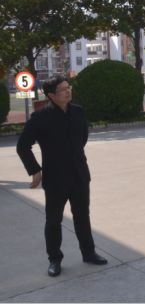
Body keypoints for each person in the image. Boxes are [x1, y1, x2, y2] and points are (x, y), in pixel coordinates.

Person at [16, 75, 108, 277]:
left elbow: (82, 137)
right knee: (53, 220)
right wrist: (35, 170)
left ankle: (89, 253)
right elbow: (22, 146)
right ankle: (54, 259)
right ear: (51, 95)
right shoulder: (40, 117)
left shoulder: (78, 111)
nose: (68, 91)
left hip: (79, 174)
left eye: (69, 87)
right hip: (56, 178)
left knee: (82, 216)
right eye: (63, 89)